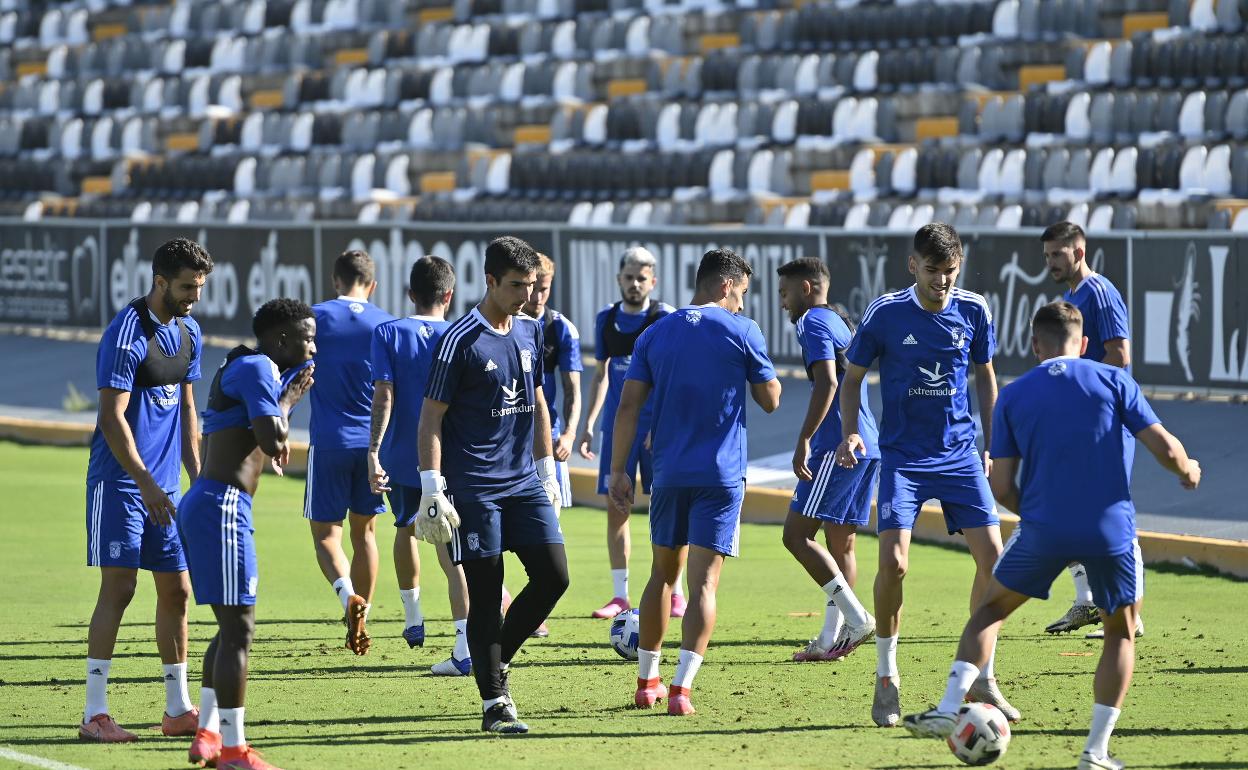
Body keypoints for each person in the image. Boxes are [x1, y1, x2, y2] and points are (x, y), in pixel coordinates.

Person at [901, 301, 1200, 770]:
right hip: (1109, 529)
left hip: (1043, 528)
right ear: (1083, 344)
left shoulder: (1015, 396)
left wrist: (1039, 515)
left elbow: (1000, 485)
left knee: (989, 611)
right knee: (1119, 632)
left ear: (1035, 345)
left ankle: (945, 708)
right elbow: (1165, 447)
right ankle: (1095, 751)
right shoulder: (1114, 379)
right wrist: (1188, 470)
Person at [836, 223, 1018, 726]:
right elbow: (852, 382)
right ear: (912, 265)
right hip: (903, 460)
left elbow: (985, 376)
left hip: (960, 457)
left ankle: (983, 676)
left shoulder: (975, 309)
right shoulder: (885, 313)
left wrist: (993, 442)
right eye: (933, 271)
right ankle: (887, 676)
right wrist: (852, 432)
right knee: (894, 564)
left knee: (996, 561)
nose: (942, 281)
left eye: (950, 272)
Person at [611, 248, 781, 717]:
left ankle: (647, 683)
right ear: (725, 285)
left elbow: (627, 408)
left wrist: (618, 469)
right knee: (704, 585)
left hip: (666, 472)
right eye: (742, 293)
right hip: (721, 476)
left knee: (661, 575)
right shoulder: (742, 330)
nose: (743, 305)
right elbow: (770, 400)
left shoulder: (654, 332)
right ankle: (682, 690)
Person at [417, 236, 569, 734]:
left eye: (532, 285)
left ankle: (495, 658)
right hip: (474, 487)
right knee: (484, 594)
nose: (526, 295)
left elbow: (539, 402)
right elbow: (431, 418)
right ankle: (495, 704)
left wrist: (547, 470)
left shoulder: (530, 330)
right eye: (516, 286)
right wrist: (431, 486)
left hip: (523, 480)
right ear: (489, 281)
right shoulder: (459, 339)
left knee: (554, 577)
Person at [80, 237, 212, 743]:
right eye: (185, 288)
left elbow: (187, 411)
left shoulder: (190, 332)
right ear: (160, 281)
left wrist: (196, 481)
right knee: (120, 587)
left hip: (166, 490)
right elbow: (112, 419)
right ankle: (94, 714)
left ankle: (177, 708)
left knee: (176, 590)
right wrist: (146, 483)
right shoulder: (125, 332)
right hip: (121, 483)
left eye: (198, 288)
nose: (193, 298)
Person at [180, 298, 317, 770]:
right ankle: (236, 752)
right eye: (306, 336)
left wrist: (281, 409)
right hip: (222, 506)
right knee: (240, 630)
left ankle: (208, 736)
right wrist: (289, 401)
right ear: (281, 339)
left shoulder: (252, 365)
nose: (312, 344)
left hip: (214, 504)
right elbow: (272, 439)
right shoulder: (260, 367)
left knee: (228, 627)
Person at [367, 256, 473, 675]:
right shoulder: (463, 335)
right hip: (449, 457)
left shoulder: (388, 332)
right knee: (453, 552)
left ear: (410, 294)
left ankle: (413, 617)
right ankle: (464, 645)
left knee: (404, 527)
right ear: (449, 295)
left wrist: (373, 450)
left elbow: (384, 396)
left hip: (401, 454)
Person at [1042, 221, 1143, 639]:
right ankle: (1090, 601)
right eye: (1047, 255)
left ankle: (1128, 615)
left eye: (1056, 255)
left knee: (1112, 515)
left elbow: (1118, 356)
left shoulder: (1099, 294)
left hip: (1109, 421)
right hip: (1087, 421)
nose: (1049, 263)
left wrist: (1077, 386)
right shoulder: (1073, 298)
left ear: (1079, 253)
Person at [776, 257, 878, 662]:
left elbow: (829, 382)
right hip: (867, 442)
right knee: (842, 544)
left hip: (837, 446)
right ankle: (831, 639)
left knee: (796, 536)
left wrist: (804, 437)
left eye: (785, 293)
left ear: (805, 288)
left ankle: (856, 618)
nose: (782, 303)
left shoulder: (813, 323)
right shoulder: (840, 322)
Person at [578, 247, 684, 620]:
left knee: (667, 507)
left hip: (657, 430)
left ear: (652, 281)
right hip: (617, 427)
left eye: (642, 278)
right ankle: (620, 595)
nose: (635, 284)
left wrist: (662, 424)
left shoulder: (665, 317)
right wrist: (589, 424)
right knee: (616, 506)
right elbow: (601, 374)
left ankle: (675, 591)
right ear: (619, 279)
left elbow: (674, 375)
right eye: (629, 277)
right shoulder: (606, 319)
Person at [305, 250, 394, 655]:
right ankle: (364, 616)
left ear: (335, 280)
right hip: (372, 446)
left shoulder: (314, 318)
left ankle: (347, 599)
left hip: (328, 441)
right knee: (366, 535)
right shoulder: (385, 323)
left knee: (327, 535)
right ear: (371, 285)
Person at [520, 252, 583, 638]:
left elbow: (574, 387)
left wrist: (571, 433)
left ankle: (534, 611)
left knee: (547, 532)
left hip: (547, 442)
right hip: (506, 445)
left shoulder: (560, 328)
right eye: (534, 288)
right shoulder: (504, 324)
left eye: (545, 289)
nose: (539, 296)